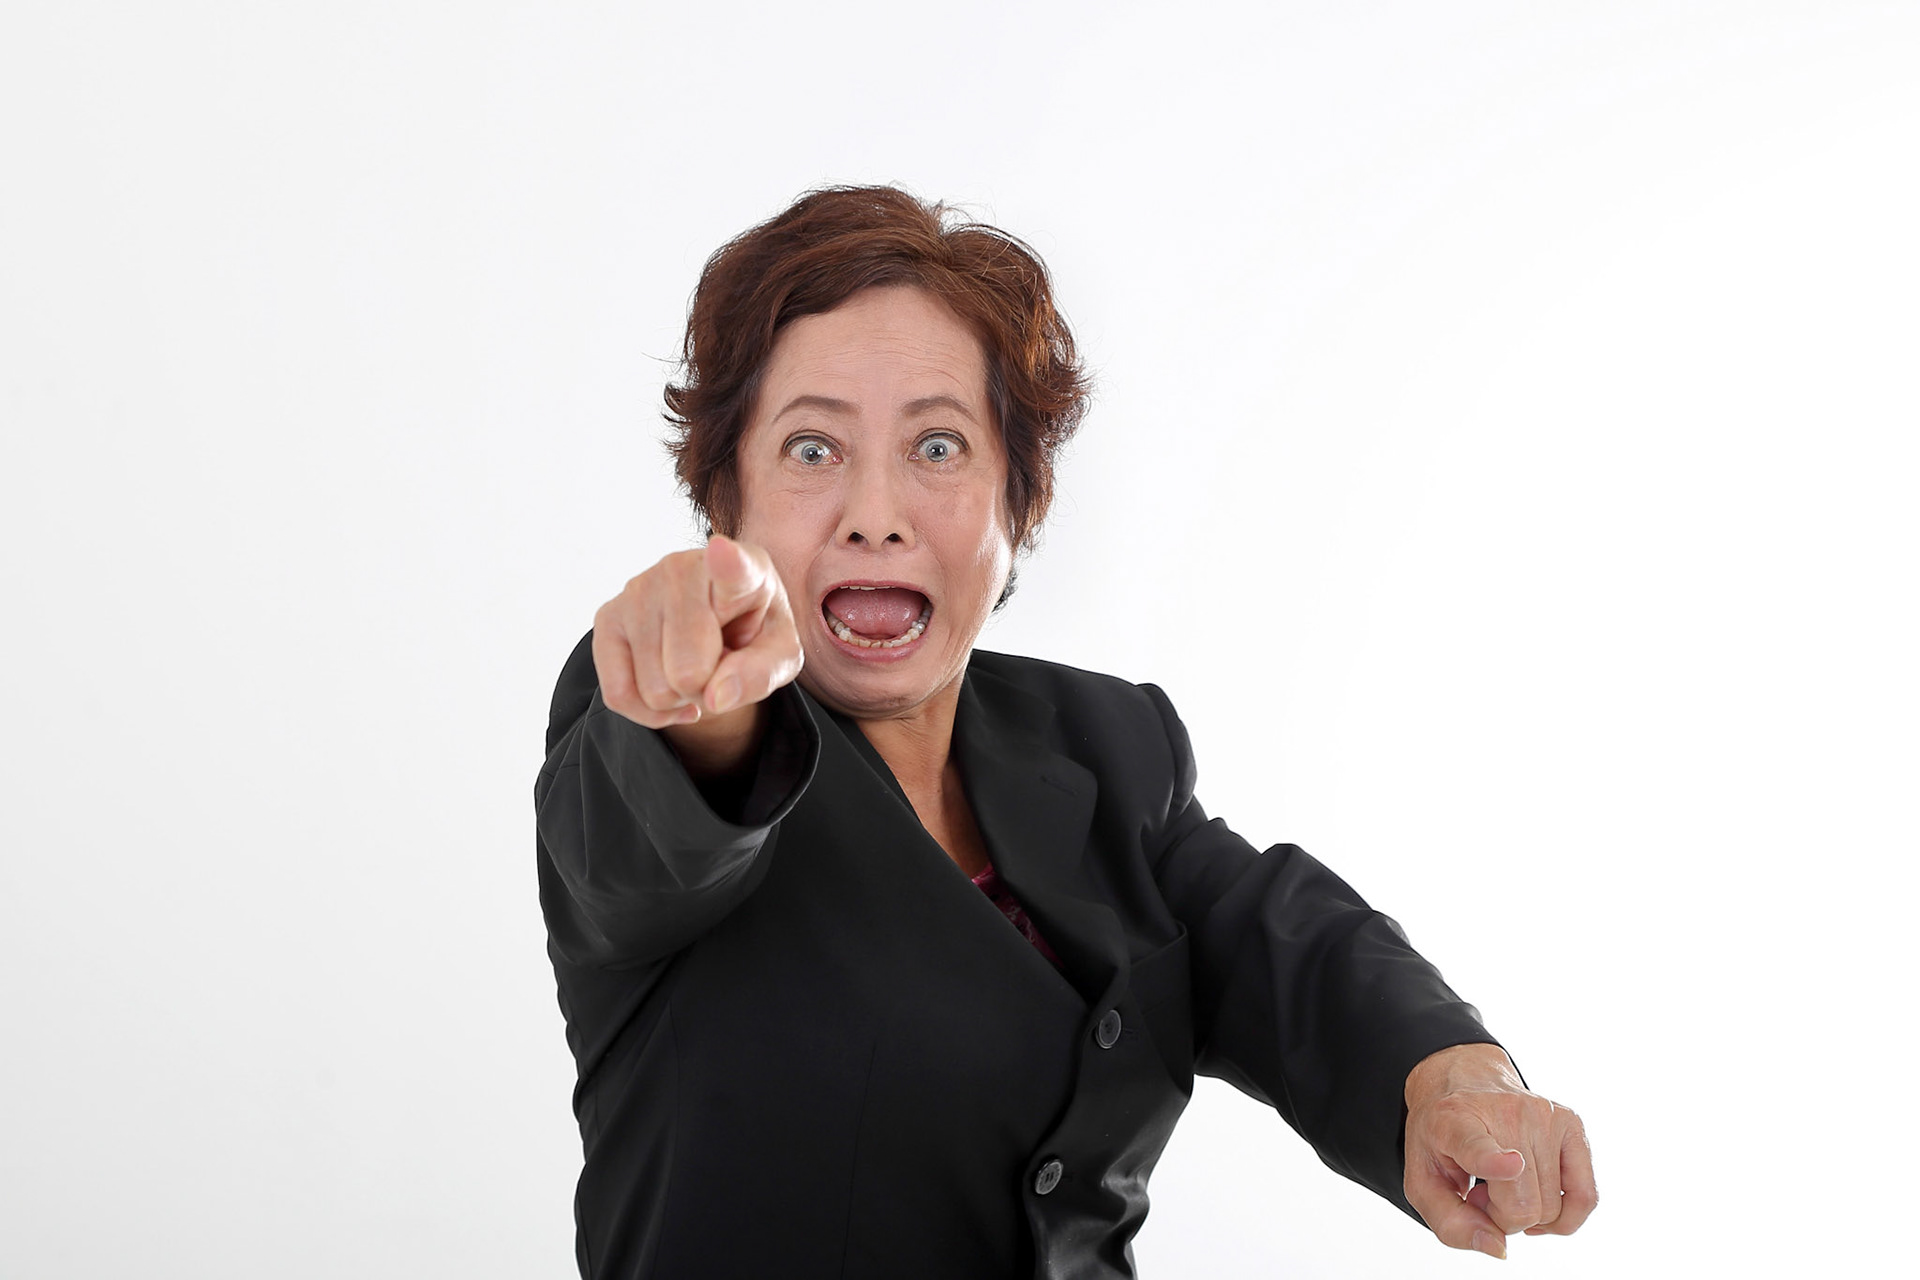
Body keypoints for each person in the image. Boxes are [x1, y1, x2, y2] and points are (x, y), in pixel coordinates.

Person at [533, 185, 1595, 1279]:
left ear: (1018, 502)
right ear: (726, 502)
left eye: (939, 447)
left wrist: (1447, 1074)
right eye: (812, 449)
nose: (876, 509)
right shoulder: (663, 718)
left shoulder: (1103, 742)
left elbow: (1278, 937)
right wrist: (693, 709)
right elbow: (649, 826)